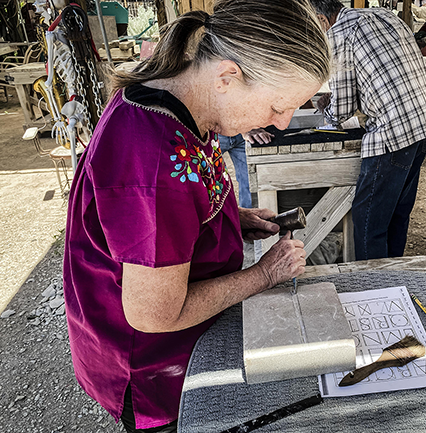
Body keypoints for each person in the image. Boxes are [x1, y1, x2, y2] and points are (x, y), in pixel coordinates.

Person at [62, 0, 331, 431]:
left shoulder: (179, 99)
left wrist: (228, 216)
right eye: (278, 106)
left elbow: (173, 206)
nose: (281, 123)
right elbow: (154, 315)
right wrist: (264, 275)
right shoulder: (154, 158)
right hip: (153, 369)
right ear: (228, 76)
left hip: (176, 346)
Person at [310, 0, 426, 260]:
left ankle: (374, 290)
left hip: (394, 132)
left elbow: (342, 109)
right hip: (425, 121)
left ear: (322, 20)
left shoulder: (338, 34)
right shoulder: (383, 15)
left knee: (369, 220)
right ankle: (393, 275)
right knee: (397, 211)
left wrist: (326, 105)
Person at [218, 133, 252, 208]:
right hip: (215, 136)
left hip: (242, 136)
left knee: (249, 179)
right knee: (212, 181)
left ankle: (248, 213)